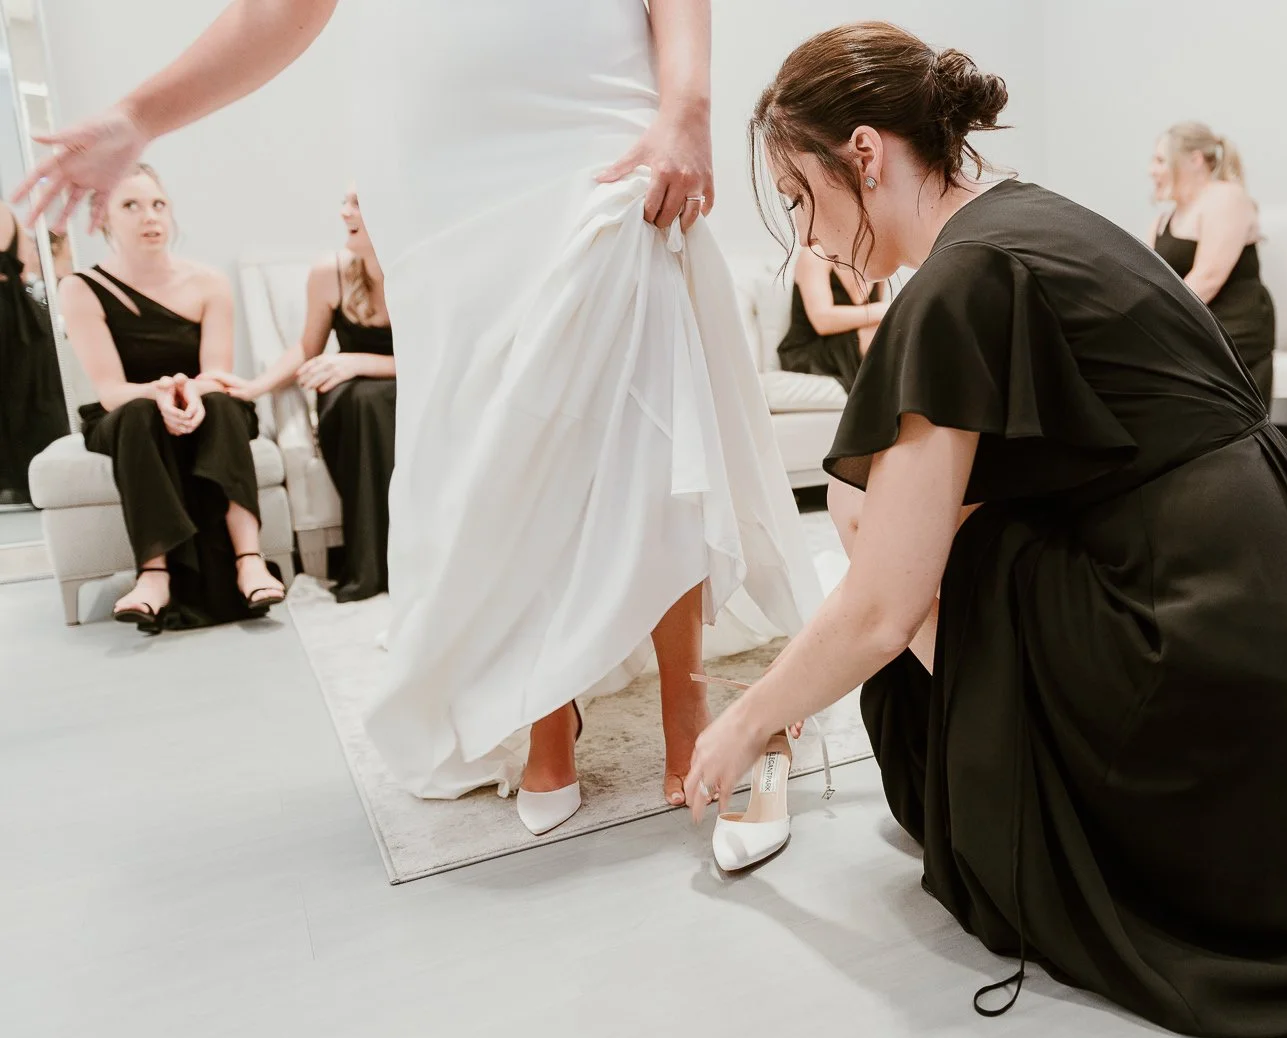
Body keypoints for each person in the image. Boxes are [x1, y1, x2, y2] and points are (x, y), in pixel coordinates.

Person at [682, 23, 1287, 1038]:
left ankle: (1045, 794)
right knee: (914, 513)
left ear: (864, 153)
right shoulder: (1029, 216)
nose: (804, 236)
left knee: (897, 540)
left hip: (1202, 653)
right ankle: (1040, 772)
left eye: (799, 198)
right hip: (1279, 615)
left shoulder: (957, 279)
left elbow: (884, 604)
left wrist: (750, 719)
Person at [16, 0, 818, 830]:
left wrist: (686, 107)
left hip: (592, 104)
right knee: (502, 434)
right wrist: (139, 115)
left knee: (651, 400)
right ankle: (546, 705)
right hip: (441, 161)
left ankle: (685, 707)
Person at [57, 164, 284, 631]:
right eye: (131, 206)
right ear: (103, 219)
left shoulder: (208, 283)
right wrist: (159, 393)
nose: (150, 217)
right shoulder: (80, 288)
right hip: (128, 408)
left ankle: (249, 560)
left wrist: (192, 392)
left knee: (223, 404)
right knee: (140, 412)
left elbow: (216, 373)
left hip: (202, 398)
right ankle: (154, 573)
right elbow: (111, 390)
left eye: (158, 204)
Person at [227, 188, 395, 603]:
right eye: (345, 201)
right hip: (352, 400)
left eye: (358, 203)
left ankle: (409, 555)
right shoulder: (329, 272)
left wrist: (360, 362)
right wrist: (254, 386)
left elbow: (441, 356)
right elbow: (307, 348)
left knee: (372, 397)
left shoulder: (423, 269)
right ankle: (374, 562)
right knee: (357, 399)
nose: (344, 213)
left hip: (407, 386)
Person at [1148, 122, 1276, 402]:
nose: (1152, 170)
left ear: (1195, 160)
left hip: (1233, 324)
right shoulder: (1164, 220)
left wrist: (1155, 324)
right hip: (1192, 322)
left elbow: (1207, 279)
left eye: (1160, 160)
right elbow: (1146, 280)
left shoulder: (1225, 197)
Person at [0, 203, 67, 507]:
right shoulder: (8, 214)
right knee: (29, 396)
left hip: (15, 316)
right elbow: (24, 263)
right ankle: (29, 481)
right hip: (18, 314)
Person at [775, 252, 888, 392]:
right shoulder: (815, 254)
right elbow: (822, 321)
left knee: (891, 333)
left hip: (853, 344)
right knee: (883, 336)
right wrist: (883, 310)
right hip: (811, 349)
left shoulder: (875, 259)